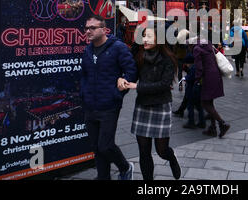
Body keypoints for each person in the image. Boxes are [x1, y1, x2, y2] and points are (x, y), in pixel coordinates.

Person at [80, 15, 137, 180]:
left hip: (109, 106)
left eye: (92, 28)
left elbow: (131, 71)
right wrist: (83, 93)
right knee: (96, 147)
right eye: (86, 28)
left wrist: (118, 93)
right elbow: (84, 75)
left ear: (104, 29)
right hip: (90, 105)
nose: (88, 31)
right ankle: (103, 176)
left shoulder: (118, 47)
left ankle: (125, 167)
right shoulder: (88, 50)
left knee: (105, 145)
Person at [125, 27, 181, 180]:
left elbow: (164, 85)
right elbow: (132, 76)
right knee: (144, 151)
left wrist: (138, 86)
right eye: (143, 36)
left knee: (162, 150)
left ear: (159, 39)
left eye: (149, 36)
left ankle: (172, 158)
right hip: (143, 105)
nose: (145, 40)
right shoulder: (140, 56)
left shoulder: (167, 59)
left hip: (161, 106)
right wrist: (123, 81)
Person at [193, 37, 230, 138]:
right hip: (216, 76)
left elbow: (199, 68)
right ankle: (213, 128)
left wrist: (197, 80)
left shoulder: (196, 49)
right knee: (210, 102)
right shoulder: (208, 44)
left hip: (207, 78)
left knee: (205, 103)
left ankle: (222, 124)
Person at [181, 53, 206, 129]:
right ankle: (202, 122)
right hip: (198, 90)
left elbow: (191, 78)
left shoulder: (192, 68)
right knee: (199, 107)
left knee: (190, 106)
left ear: (189, 63)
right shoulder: (198, 66)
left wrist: (185, 78)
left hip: (192, 90)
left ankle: (191, 122)